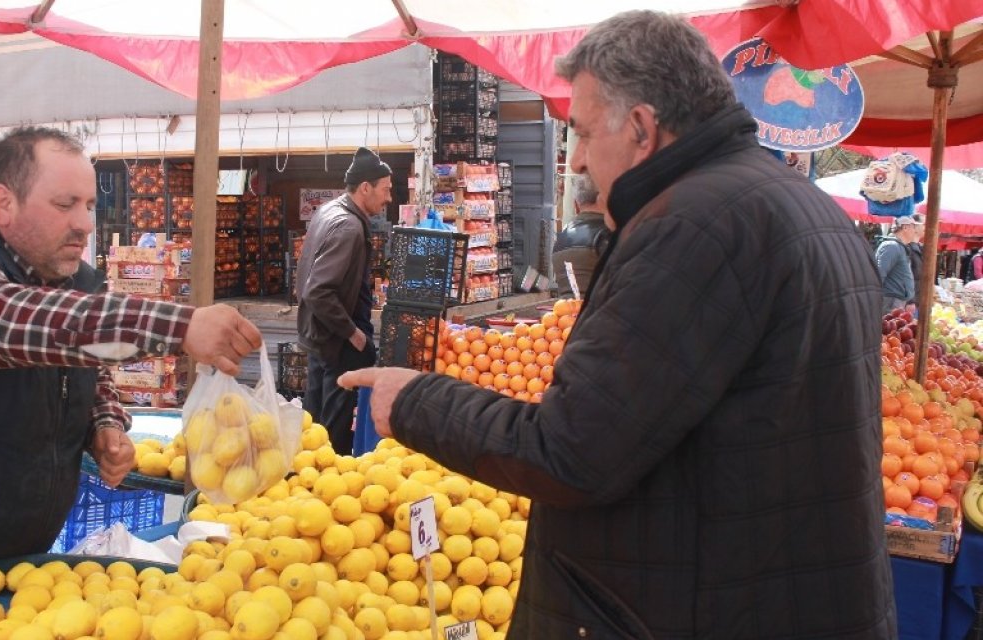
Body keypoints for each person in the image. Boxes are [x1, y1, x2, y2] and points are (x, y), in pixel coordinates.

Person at [341, 11, 895, 639]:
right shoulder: (807, 210)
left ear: (641, 128)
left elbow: (571, 449)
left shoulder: (693, 227)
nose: (574, 160)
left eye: (579, 133)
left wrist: (415, 400)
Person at [0, 126, 262, 607]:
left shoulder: (68, 281)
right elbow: (22, 325)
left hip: (17, 561)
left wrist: (104, 421)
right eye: (64, 205)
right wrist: (180, 327)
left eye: (90, 206)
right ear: (3, 203)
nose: (85, 224)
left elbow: (87, 364)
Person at [296, 147, 392, 454]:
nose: (389, 198)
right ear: (365, 188)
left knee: (315, 424)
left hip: (320, 337)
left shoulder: (328, 211)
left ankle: (308, 478)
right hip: (338, 340)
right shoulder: (349, 226)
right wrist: (354, 335)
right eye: (386, 189)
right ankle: (326, 481)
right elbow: (319, 290)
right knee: (333, 432)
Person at [552, 174, 611, 298]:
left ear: (576, 204)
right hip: (602, 313)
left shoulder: (560, 241)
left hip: (566, 314)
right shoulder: (609, 235)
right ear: (604, 199)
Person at [876, 214, 924, 313]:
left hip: (896, 301)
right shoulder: (892, 246)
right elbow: (878, 276)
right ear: (905, 227)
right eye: (913, 226)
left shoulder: (899, 247)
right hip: (890, 301)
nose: (915, 230)